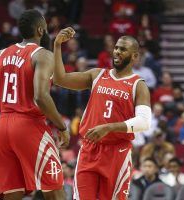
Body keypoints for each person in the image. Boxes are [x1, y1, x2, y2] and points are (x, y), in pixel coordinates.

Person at [0, 9, 70, 200]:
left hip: (2, 128)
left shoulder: (1, 54)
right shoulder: (43, 55)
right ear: (40, 30)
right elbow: (41, 96)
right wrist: (62, 126)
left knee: (12, 193)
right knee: (54, 189)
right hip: (29, 125)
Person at [54, 29, 151, 199]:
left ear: (135, 56)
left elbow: (144, 122)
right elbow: (60, 79)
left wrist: (109, 128)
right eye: (116, 48)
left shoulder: (138, 85)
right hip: (89, 149)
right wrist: (56, 46)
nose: (117, 52)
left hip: (116, 152)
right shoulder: (97, 74)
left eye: (123, 49)